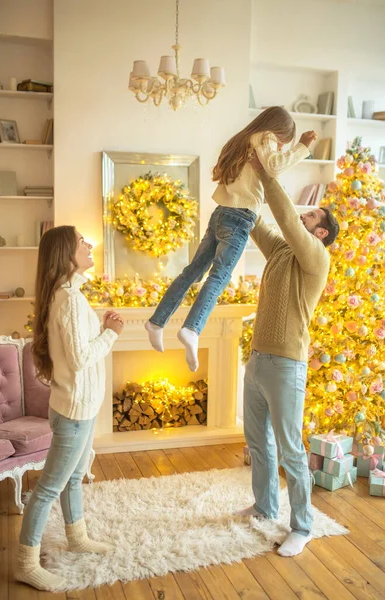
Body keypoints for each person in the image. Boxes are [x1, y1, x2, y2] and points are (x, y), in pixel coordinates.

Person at [145, 106, 317, 371]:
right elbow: (274, 167)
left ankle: (157, 321)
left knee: (193, 272)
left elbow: (267, 166)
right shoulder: (264, 137)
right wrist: (303, 146)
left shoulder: (244, 138)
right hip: (239, 218)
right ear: (279, 131)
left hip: (222, 214)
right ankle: (191, 329)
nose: (280, 147)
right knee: (218, 277)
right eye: (283, 142)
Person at [237, 158, 339, 557]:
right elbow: (257, 223)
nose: (302, 215)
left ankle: (303, 526)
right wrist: (240, 191)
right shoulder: (281, 251)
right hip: (258, 359)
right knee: (258, 443)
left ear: (320, 230)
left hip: (287, 365)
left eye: (310, 214)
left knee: (291, 449)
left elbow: (283, 217)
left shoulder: (316, 257)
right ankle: (264, 507)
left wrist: (266, 173)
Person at [14, 226, 123, 592]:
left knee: (73, 479)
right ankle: (25, 564)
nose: (89, 245)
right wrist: (110, 333)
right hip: (74, 412)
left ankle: (77, 536)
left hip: (82, 407)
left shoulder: (71, 294)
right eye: (81, 242)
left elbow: (75, 350)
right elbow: (79, 360)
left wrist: (102, 326)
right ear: (66, 254)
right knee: (47, 489)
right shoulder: (69, 299)